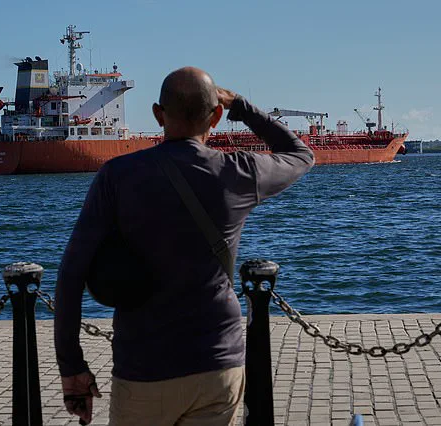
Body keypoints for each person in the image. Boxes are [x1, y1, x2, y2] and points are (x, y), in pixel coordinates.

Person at [54, 66, 314, 425]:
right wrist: (241, 106)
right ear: (216, 117)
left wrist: (72, 367)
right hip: (217, 366)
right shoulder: (239, 171)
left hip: (143, 370)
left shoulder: (117, 176)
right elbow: (301, 155)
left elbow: (71, 273)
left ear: (158, 115)